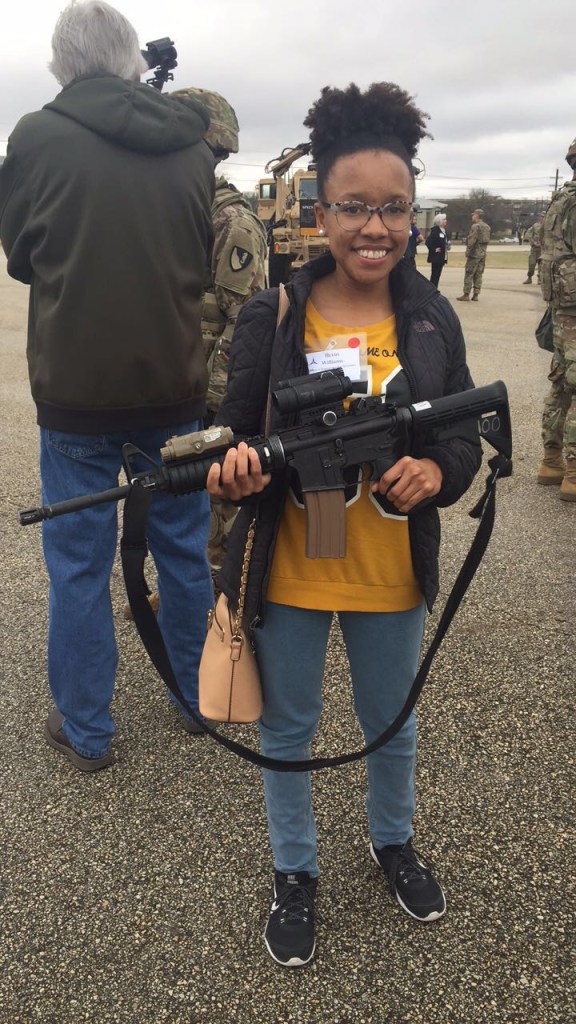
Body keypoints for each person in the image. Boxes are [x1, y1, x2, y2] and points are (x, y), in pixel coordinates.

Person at [207, 81, 482, 967]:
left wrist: (437, 469)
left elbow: (462, 435)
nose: (376, 227)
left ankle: (390, 840)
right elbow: (233, 428)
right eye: (356, 207)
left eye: (395, 208)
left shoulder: (431, 316)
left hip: (389, 568)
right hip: (293, 561)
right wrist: (236, 465)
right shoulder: (276, 311)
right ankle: (295, 869)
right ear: (321, 211)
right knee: (288, 730)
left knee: (390, 721)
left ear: (414, 212)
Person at [0, 0, 216, 769]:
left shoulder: (34, 136)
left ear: (62, 65)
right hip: (174, 381)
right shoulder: (194, 144)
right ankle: (198, 699)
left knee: (80, 564)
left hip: (77, 390)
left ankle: (88, 729)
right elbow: (199, 251)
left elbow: (22, 255)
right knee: (185, 549)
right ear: (131, 61)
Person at [170, 86, 268, 577]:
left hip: (210, 390)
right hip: (180, 383)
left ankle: (222, 602)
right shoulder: (180, 208)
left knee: (218, 502)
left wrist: (215, 402)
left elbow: (246, 318)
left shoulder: (231, 222)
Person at [536, 137, 576, 501]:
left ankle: (552, 461)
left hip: (563, 305)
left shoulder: (561, 199)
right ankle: (574, 473)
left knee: (562, 383)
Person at [456, 209, 491, 301]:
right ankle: (476, 295)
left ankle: (466, 294)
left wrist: (468, 251)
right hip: (483, 253)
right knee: (479, 274)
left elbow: (472, 240)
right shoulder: (487, 227)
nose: (472, 216)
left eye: (473, 215)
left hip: (474, 253)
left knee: (469, 273)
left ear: (477, 215)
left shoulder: (476, 226)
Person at [425, 212, 448, 288]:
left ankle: (435, 288)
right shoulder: (435, 230)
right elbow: (428, 241)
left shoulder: (443, 231)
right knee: (434, 274)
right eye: (444, 219)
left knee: (438, 275)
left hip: (442, 257)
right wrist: (434, 249)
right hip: (436, 257)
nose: (446, 221)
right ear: (439, 221)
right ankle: (432, 289)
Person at [522, 214, 544, 284]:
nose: (542, 218)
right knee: (531, 264)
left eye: (543, 217)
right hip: (534, 249)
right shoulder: (535, 225)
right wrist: (533, 242)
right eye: (541, 216)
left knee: (541, 265)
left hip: (543, 249)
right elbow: (529, 234)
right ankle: (529, 278)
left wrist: (543, 244)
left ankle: (540, 279)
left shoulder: (548, 227)